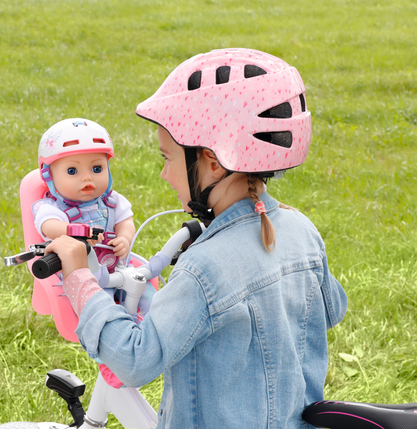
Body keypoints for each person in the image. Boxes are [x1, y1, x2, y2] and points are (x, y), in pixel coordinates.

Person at [45, 49, 348, 428]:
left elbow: (136, 360)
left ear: (212, 161)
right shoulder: (301, 228)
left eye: (168, 158)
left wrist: (79, 277)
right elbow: (331, 310)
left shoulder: (202, 270)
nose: (164, 175)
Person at [34, 118, 135, 263]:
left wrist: (124, 238)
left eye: (97, 169)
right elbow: (50, 227)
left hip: (118, 271)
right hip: (76, 276)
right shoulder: (53, 208)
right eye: (72, 171)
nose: (87, 178)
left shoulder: (112, 201)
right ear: (48, 175)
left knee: (145, 283)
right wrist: (78, 232)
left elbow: (125, 221)